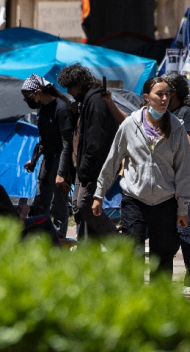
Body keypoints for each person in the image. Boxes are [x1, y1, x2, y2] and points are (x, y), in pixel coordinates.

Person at [91, 77, 190, 280]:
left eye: (167, 94)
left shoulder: (177, 127)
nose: (164, 99)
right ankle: (134, 305)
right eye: (159, 94)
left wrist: (183, 208)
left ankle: (159, 305)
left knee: (162, 258)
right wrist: (99, 194)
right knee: (133, 254)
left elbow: (183, 170)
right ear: (147, 97)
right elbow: (113, 161)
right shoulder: (130, 125)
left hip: (165, 202)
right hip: (134, 199)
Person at [58, 64, 122, 240]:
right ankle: (89, 249)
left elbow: (95, 141)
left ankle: (119, 243)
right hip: (85, 166)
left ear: (78, 83)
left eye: (70, 87)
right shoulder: (88, 101)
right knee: (78, 206)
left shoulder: (95, 102)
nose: (70, 92)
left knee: (86, 204)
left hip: (93, 167)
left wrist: (87, 169)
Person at [162, 72, 190, 298]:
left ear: (174, 91)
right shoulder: (165, 113)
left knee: (188, 234)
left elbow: (187, 144)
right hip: (166, 182)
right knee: (168, 235)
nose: (162, 95)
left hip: (184, 183)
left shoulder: (187, 114)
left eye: (165, 91)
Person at [21, 74, 72, 238]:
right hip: (47, 160)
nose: (28, 100)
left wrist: (62, 173)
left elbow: (67, 143)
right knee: (40, 201)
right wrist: (34, 160)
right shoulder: (42, 108)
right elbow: (43, 139)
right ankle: (41, 238)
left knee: (59, 204)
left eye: (28, 96)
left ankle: (60, 240)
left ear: (38, 91)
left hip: (62, 160)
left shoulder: (61, 109)